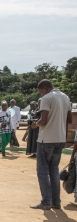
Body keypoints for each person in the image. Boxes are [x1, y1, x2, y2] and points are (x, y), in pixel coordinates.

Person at [30, 80, 72, 210]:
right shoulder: (66, 97)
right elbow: (69, 119)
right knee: (54, 170)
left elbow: (43, 121)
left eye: (40, 91)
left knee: (42, 171)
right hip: (60, 139)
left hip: (46, 139)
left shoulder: (47, 98)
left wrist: (34, 125)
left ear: (45, 88)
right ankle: (56, 202)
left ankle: (46, 202)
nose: (41, 94)